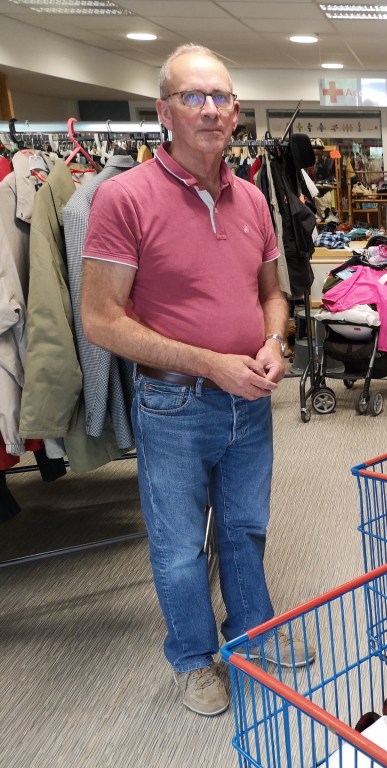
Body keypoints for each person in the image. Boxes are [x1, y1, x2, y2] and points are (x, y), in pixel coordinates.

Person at [81, 43, 308, 718]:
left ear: (236, 113)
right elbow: (100, 321)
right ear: (164, 112)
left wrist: (274, 341)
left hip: (251, 398)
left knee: (245, 527)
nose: (210, 110)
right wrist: (210, 363)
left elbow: (272, 294)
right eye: (193, 97)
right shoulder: (124, 197)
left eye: (221, 98)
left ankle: (252, 631)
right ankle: (192, 658)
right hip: (173, 402)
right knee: (180, 545)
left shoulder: (253, 198)